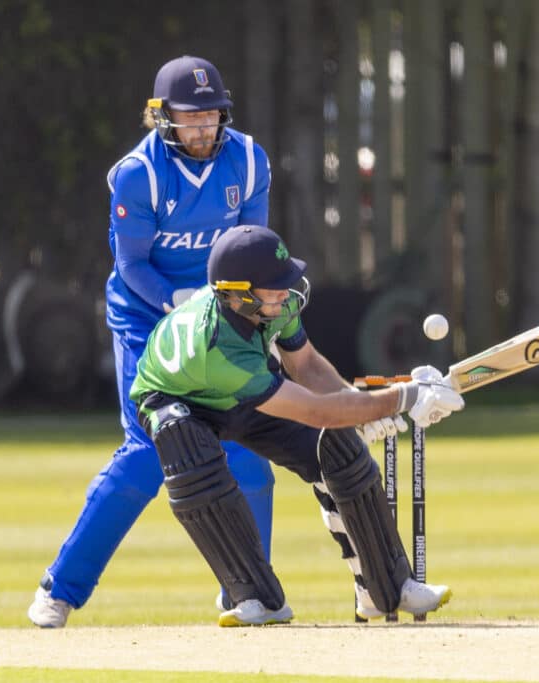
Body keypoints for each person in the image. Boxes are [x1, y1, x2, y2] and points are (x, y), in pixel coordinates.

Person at [28, 56, 277, 627]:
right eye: (189, 119)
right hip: (146, 318)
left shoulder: (247, 158)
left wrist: (251, 310)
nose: (202, 130)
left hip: (223, 319)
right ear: (161, 118)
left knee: (247, 452)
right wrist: (181, 304)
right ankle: (60, 589)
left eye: (211, 117)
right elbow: (131, 264)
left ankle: (249, 587)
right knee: (148, 449)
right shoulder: (137, 175)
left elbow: (254, 246)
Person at [129, 225, 465, 625]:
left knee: (337, 446)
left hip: (242, 388)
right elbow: (316, 410)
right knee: (189, 452)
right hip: (174, 397)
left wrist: (361, 407)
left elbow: (306, 366)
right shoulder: (219, 349)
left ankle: (388, 589)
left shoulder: (275, 306)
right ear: (237, 294)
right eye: (274, 287)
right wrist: (403, 398)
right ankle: (255, 598)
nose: (286, 293)